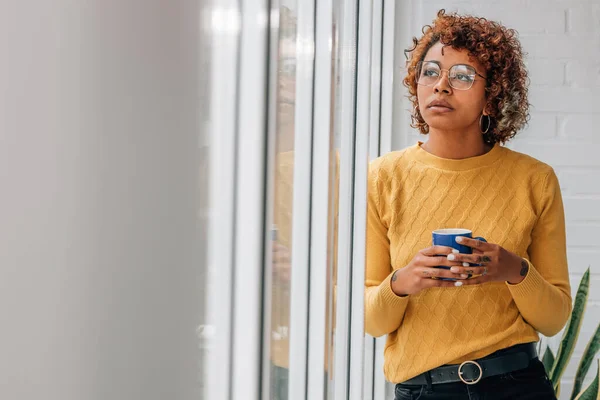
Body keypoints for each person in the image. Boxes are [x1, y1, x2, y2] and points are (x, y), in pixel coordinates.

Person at [364, 10, 571, 400]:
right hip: (422, 391)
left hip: (517, 385)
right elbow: (370, 320)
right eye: (430, 72)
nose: (440, 86)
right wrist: (405, 281)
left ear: (492, 96)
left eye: (461, 76)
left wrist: (512, 270)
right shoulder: (382, 177)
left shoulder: (534, 179)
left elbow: (555, 317)